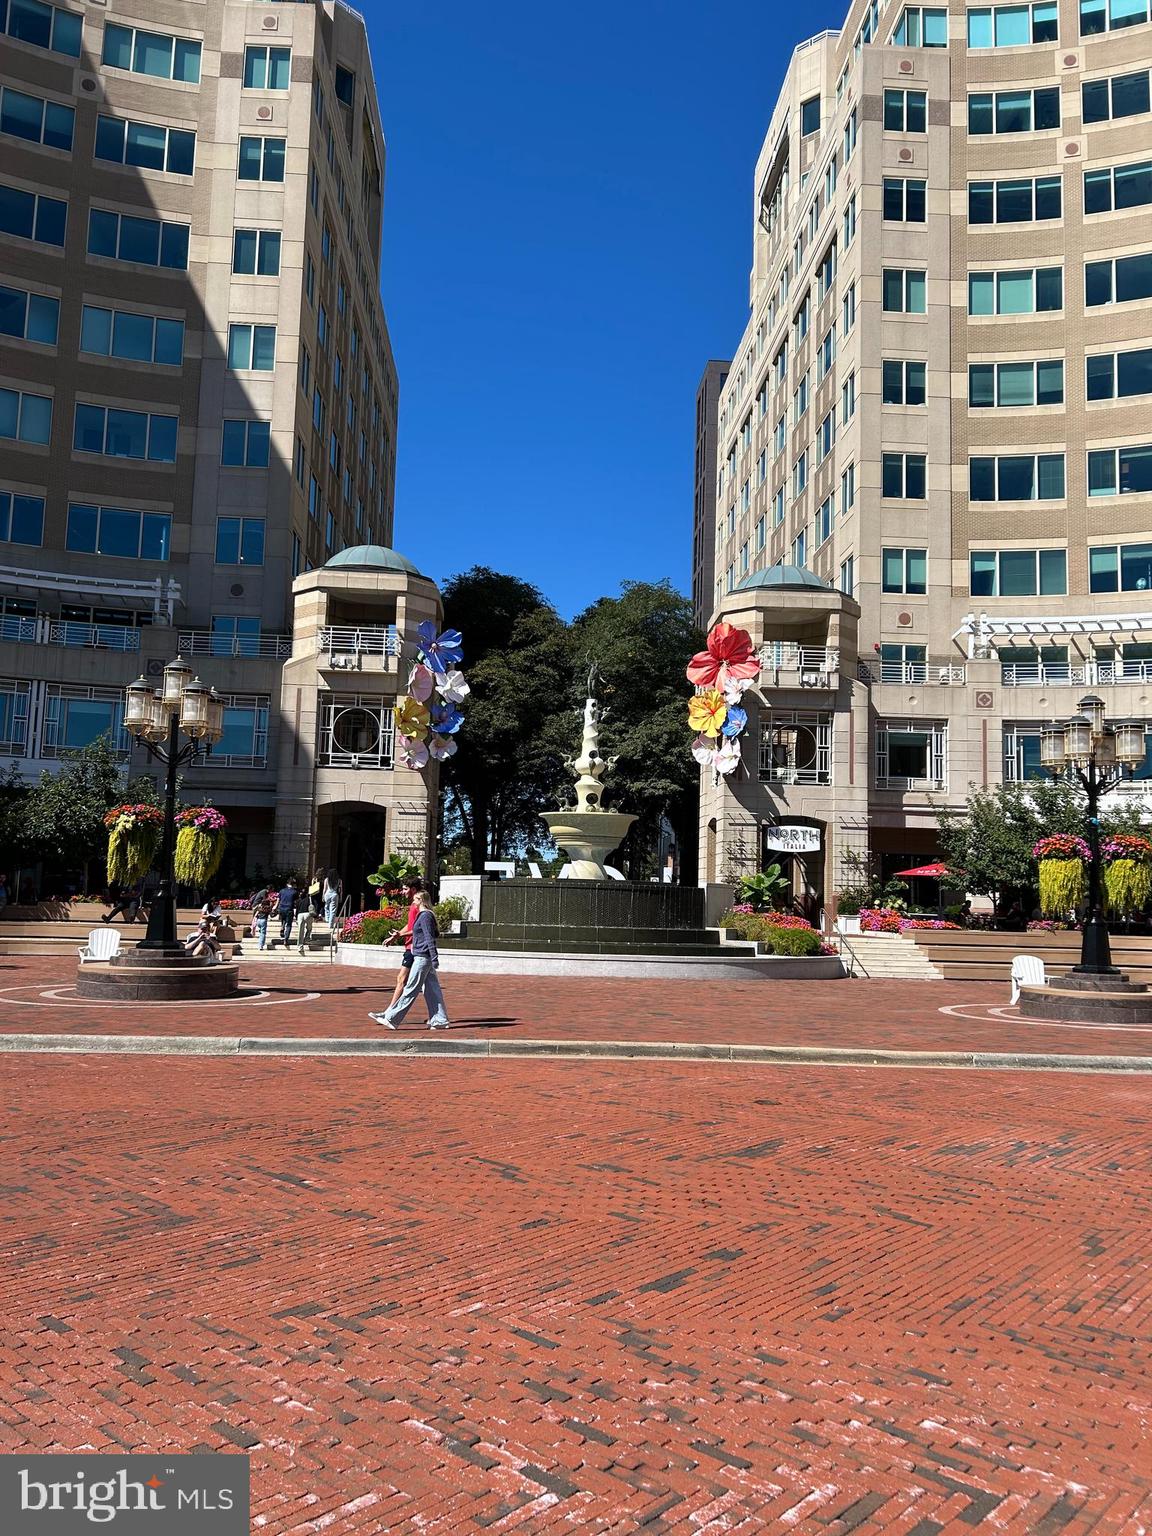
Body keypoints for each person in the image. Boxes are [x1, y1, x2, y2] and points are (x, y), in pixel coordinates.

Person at [370, 891, 449, 1030]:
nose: (413, 903)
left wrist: (434, 957)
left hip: (423, 958)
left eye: (415, 900)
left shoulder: (425, 916)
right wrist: (399, 935)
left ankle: (392, 1018)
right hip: (424, 957)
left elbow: (429, 937)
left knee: (411, 989)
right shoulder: (425, 916)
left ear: (421, 900)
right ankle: (440, 1020)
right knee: (432, 990)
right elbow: (419, 932)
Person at [381, 878, 423, 1011]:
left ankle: (390, 1011)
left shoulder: (418, 906)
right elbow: (411, 925)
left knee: (401, 979)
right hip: (412, 947)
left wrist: (400, 935)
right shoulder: (414, 905)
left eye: (405, 889)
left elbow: (418, 929)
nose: (402, 892)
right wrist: (397, 935)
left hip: (414, 947)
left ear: (414, 890)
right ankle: (437, 1016)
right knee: (429, 986)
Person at [295, 884, 315, 954]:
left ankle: (300, 946)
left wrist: (296, 918)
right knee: (309, 927)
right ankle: (307, 937)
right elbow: (314, 907)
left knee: (300, 931)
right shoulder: (310, 899)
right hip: (308, 914)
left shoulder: (298, 900)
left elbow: (297, 910)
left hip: (300, 915)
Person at [277, 878, 296, 946]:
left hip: (281, 908)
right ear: (293, 884)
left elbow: (278, 900)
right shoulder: (294, 892)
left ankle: (282, 927)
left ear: (287, 884)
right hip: (289, 909)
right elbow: (296, 901)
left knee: (283, 919)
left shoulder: (282, 891)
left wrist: (275, 907)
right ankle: (286, 939)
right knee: (289, 925)